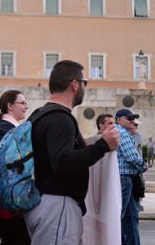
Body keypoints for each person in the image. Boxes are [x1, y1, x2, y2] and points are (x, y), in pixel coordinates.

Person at [24, 60, 119, 245]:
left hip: (45, 202)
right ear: (75, 84)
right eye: (85, 82)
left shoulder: (40, 114)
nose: (85, 87)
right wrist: (102, 146)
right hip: (57, 205)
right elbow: (62, 162)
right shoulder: (60, 118)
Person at [0, 90, 31, 245]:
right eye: (22, 103)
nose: (26, 106)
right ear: (10, 106)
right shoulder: (6, 130)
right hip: (6, 199)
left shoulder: (3, 128)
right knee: (19, 239)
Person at [114, 109, 147, 245]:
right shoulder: (122, 133)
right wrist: (143, 166)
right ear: (120, 119)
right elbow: (131, 156)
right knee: (120, 216)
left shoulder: (118, 132)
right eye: (129, 118)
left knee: (131, 215)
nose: (132, 121)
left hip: (124, 178)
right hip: (124, 178)